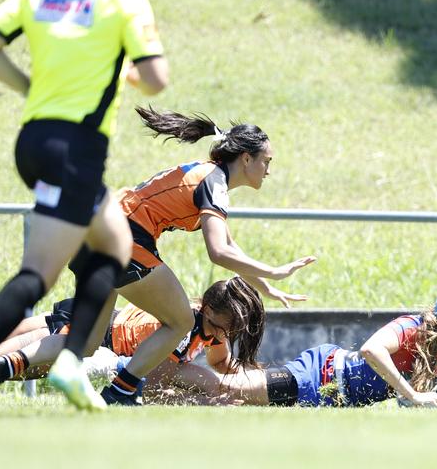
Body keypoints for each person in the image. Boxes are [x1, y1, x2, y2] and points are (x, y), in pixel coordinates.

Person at [0, 0, 169, 417]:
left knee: (115, 245)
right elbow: (156, 79)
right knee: (40, 273)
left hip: (35, 140)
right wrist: (130, 72)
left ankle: (70, 360)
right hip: (75, 150)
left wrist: (32, 91)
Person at [68, 106, 316, 406]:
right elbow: (218, 253)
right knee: (180, 321)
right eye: (266, 161)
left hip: (103, 226)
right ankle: (121, 391)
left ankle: (2, 365)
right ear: (246, 158)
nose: (269, 169)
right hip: (122, 236)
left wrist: (266, 287)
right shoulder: (215, 184)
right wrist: (274, 270)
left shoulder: (211, 176)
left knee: (89, 340)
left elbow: (231, 248)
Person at [0, 246, 265, 404]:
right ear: (208, 308)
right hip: (92, 332)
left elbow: (219, 362)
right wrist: (209, 391)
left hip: (93, 318)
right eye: (220, 326)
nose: (222, 336)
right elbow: (161, 375)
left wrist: (243, 371)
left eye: (229, 332)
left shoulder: (201, 320)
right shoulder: (183, 328)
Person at [162, 284, 437, 409]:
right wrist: (413, 395)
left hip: (328, 394)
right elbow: (372, 350)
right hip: (320, 375)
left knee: (228, 402)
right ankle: (147, 372)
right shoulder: (410, 327)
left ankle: (163, 397)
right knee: (229, 388)